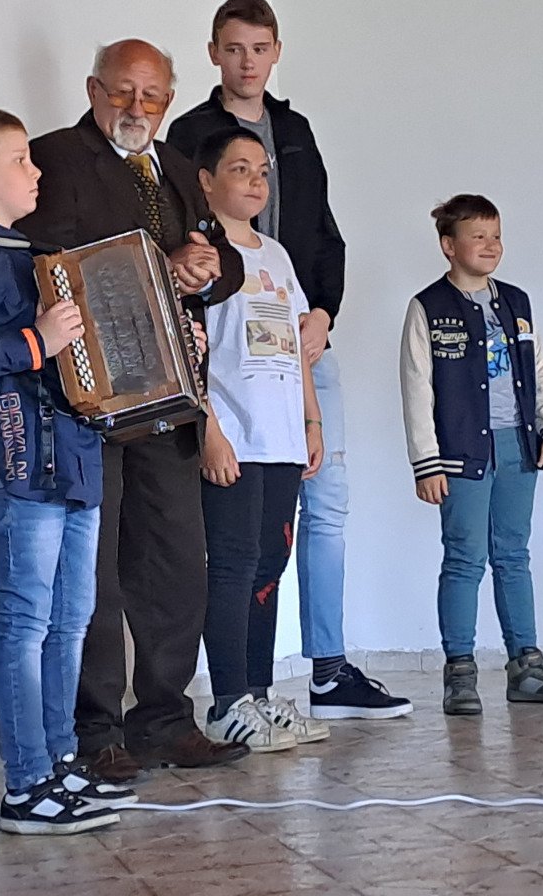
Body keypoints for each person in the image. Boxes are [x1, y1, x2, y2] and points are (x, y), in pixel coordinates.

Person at [168, 0, 412, 720]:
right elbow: (181, 273)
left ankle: (322, 673)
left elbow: (324, 234)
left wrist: (322, 315)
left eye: (261, 48)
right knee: (235, 552)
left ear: (277, 52)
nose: (248, 62)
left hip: (299, 346)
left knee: (318, 510)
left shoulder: (296, 132)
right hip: (229, 378)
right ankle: (233, 697)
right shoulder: (190, 135)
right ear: (214, 53)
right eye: (234, 48)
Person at [17, 40, 249, 779]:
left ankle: (165, 720)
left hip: (170, 397)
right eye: (122, 91)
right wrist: (156, 267)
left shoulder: (176, 166)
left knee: (175, 564)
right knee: (97, 574)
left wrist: (206, 270)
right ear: (93, 90)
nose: (135, 107)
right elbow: (41, 258)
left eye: (151, 95)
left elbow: (223, 258)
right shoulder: (53, 158)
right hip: (91, 395)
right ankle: (97, 731)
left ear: (170, 101)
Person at [0, 107, 136, 834]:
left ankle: (62, 761)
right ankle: (26, 783)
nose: (36, 170)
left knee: (70, 619)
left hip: (71, 460)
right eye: (19, 160)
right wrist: (35, 342)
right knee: (26, 621)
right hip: (19, 466)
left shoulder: (27, 254)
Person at [398, 194, 543, 715]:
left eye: (496, 235)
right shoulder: (428, 307)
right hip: (461, 453)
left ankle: (527, 666)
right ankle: (460, 672)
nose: (490, 245)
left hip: (518, 448)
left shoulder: (517, 303)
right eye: (477, 236)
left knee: (513, 554)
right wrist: (427, 461)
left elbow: (540, 372)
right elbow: (417, 388)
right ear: (448, 246)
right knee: (464, 557)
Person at [193, 127, 330, 751]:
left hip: (282, 439)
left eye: (261, 171)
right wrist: (210, 431)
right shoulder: (199, 255)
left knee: (271, 564)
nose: (254, 181)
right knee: (233, 564)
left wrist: (311, 421)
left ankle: (259, 693)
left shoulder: (276, 255)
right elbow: (189, 352)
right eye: (239, 169)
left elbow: (298, 347)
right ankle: (227, 703)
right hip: (234, 437)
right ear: (206, 180)